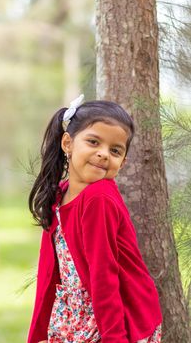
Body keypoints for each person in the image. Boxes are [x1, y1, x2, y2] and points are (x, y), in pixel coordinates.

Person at [27, 95, 163, 343]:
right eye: (93, 142)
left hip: (117, 318)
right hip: (74, 313)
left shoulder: (98, 199)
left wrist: (115, 338)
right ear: (67, 143)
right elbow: (51, 269)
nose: (103, 154)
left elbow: (104, 276)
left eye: (115, 150)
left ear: (123, 162)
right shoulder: (60, 194)